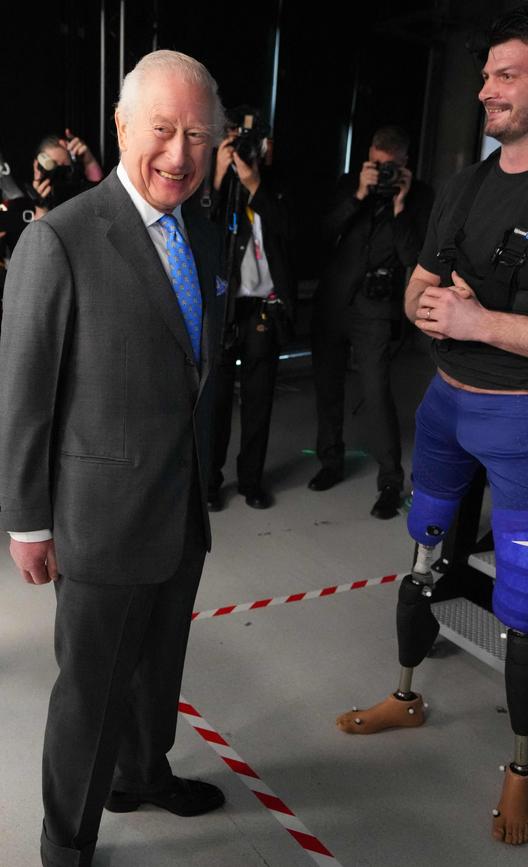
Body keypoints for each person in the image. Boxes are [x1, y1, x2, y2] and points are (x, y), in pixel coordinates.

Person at [335, 4, 528, 847]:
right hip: (445, 405)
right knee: (422, 551)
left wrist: (483, 325)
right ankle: (406, 692)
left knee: (522, 604)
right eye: (484, 77)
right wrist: (431, 309)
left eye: (505, 75)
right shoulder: (472, 184)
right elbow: (419, 286)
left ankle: (518, 767)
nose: (485, 92)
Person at [0, 50, 227, 866]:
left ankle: (142, 773)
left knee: (158, 671)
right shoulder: (60, 240)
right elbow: (24, 393)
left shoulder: (205, 236)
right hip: (97, 522)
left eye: (198, 135)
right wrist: (27, 522)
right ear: (122, 126)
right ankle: (66, 844)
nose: (179, 154)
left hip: (182, 509)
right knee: (89, 696)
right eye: (162, 130)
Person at [309, 126, 433, 518]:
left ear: (404, 164)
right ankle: (330, 461)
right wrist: (358, 195)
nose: (381, 173)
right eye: (376, 165)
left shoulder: (419, 197)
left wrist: (399, 206)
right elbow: (322, 235)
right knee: (327, 386)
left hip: (375, 308)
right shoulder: (348, 184)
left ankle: (391, 481)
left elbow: (413, 254)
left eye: (389, 167)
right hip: (332, 302)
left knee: (376, 391)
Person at [207, 108, 295, 510]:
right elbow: (200, 231)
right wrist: (219, 177)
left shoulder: (278, 186)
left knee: (258, 401)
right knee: (217, 403)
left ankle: (251, 481)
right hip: (225, 309)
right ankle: (209, 482)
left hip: (264, 308)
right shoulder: (217, 188)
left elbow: (291, 232)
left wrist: (256, 183)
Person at [32, 129, 103, 217]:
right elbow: (39, 230)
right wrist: (41, 208)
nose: (60, 174)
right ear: (38, 167)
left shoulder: (81, 188)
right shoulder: (33, 197)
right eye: (54, 169)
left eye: (64, 168)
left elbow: (102, 200)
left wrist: (89, 162)